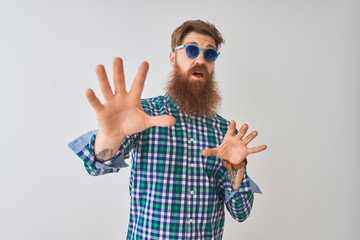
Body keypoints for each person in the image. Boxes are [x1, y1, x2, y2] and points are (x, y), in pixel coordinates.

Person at [68, 20, 267, 240]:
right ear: (173, 58)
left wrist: (235, 166)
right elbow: (96, 167)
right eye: (192, 50)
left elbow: (241, 212)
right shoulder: (144, 114)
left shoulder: (225, 131)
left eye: (210, 55)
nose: (200, 59)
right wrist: (111, 135)